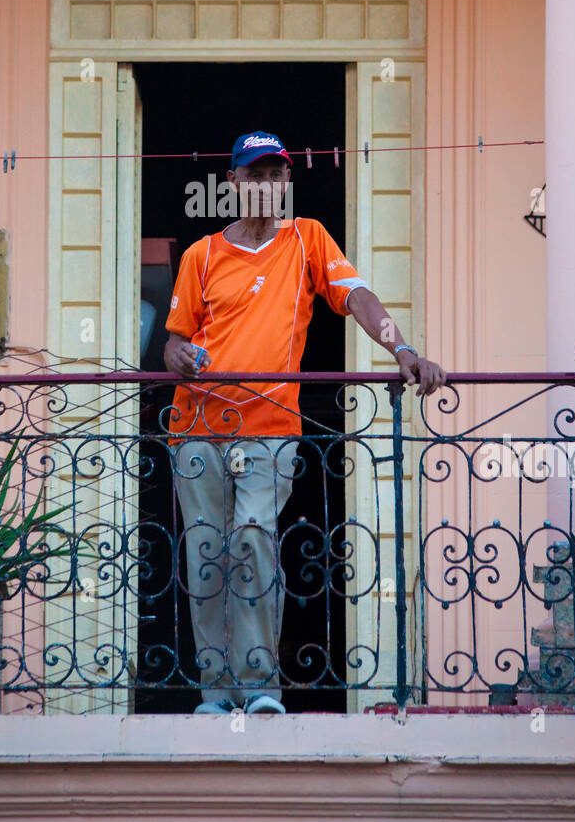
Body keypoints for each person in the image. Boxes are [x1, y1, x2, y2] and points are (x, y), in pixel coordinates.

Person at [164, 130, 446, 716]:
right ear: (233, 185)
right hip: (196, 428)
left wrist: (402, 350)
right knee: (206, 553)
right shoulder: (201, 255)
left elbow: (358, 297)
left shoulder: (307, 239)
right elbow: (173, 342)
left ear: (285, 182)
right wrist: (179, 356)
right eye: (254, 175)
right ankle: (216, 695)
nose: (266, 185)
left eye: (275, 175)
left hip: (270, 426)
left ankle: (261, 688)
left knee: (252, 541)